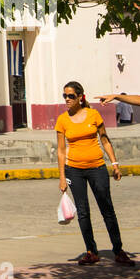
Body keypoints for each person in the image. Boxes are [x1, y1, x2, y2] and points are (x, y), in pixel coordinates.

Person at [56, 81, 135, 266]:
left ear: (80, 97)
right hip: (74, 170)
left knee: (107, 208)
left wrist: (114, 164)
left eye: (71, 96)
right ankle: (91, 251)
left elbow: (105, 140)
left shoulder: (93, 115)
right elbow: (61, 151)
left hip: (97, 168)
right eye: (64, 96)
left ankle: (118, 250)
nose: (67, 99)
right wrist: (61, 177)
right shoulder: (62, 120)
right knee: (83, 212)